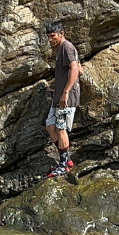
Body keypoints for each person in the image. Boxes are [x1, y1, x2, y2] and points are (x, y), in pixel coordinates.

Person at [44, 21, 80, 180]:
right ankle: (67, 159)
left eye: (53, 36)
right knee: (50, 125)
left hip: (67, 97)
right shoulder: (60, 49)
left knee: (60, 128)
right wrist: (57, 88)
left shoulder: (66, 47)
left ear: (61, 34)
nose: (50, 40)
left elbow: (75, 68)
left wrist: (65, 92)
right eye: (48, 37)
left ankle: (64, 165)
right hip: (58, 95)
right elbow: (79, 67)